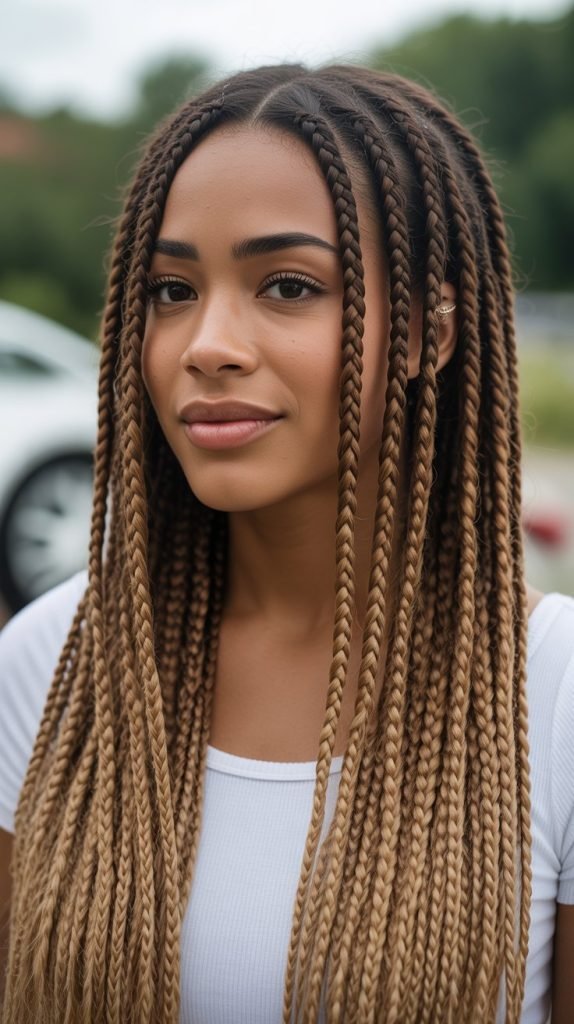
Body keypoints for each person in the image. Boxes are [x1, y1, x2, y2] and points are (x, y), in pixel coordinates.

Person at [0, 63, 572, 1024]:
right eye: (171, 290)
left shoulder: (551, 695)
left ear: (432, 331)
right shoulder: (52, 671)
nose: (205, 343)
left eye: (289, 285)